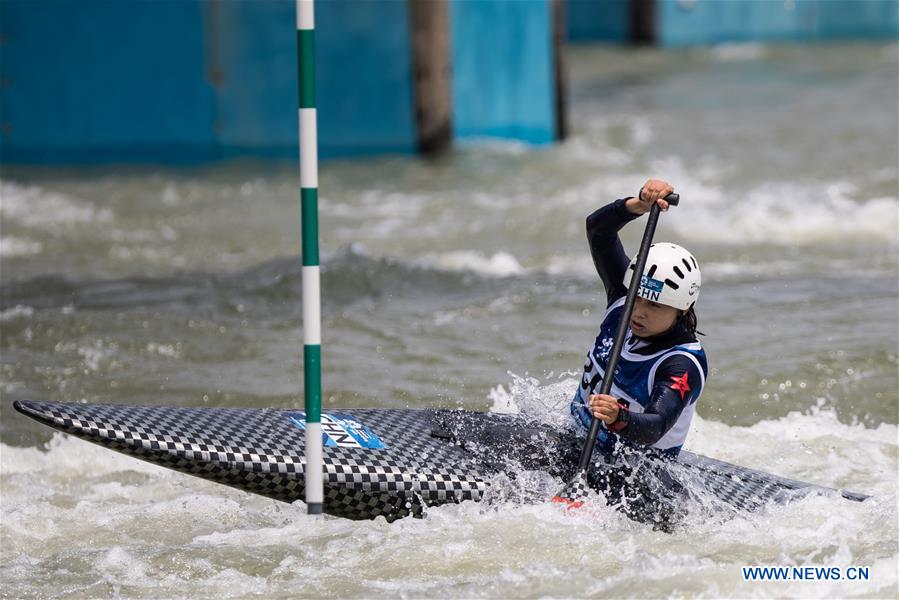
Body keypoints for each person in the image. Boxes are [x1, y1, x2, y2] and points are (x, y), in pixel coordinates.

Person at [569, 179, 709, 528]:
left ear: (681, 309)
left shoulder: (682, 363)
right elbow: (597, 230)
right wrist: (637, 205)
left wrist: (619, 417)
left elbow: (656, 425)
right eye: (638, 298)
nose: (639, 313)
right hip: (576, 444)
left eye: (655, 306)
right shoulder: (623, 299)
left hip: (636, 478)